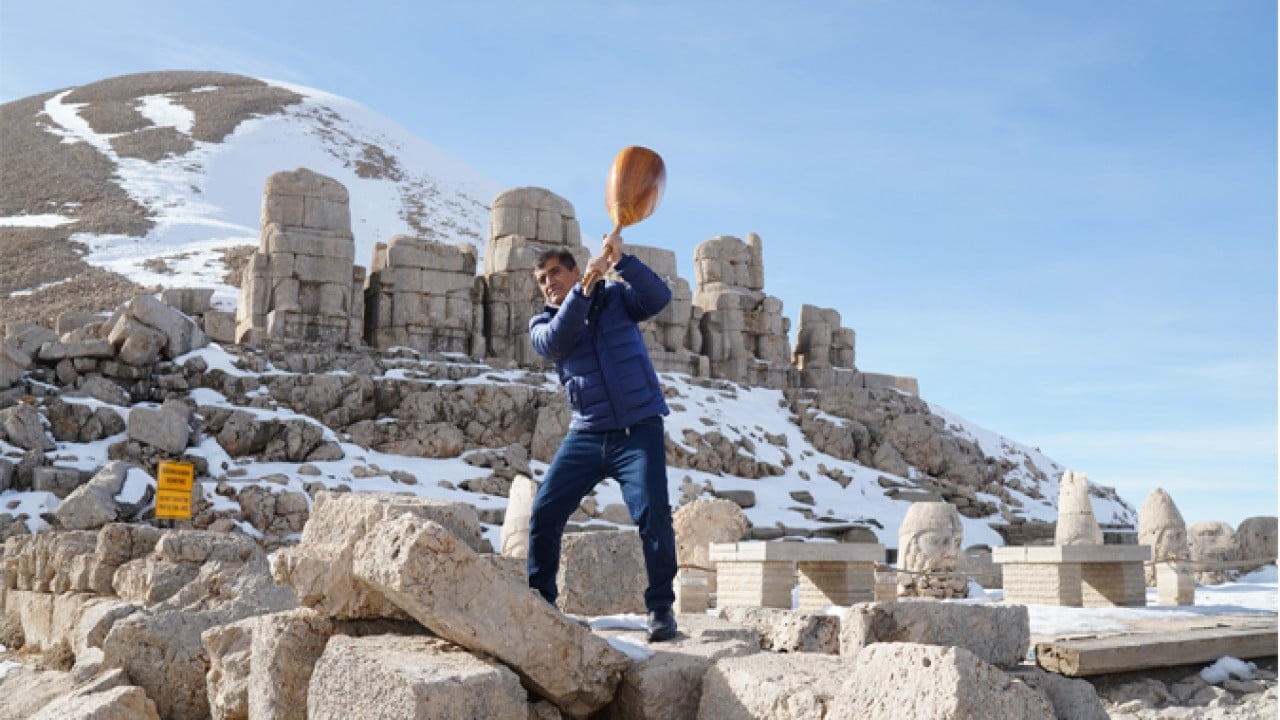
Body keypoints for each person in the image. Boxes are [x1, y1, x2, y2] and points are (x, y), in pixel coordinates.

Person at [526, 230, 679, 642]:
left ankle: (661, 609)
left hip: (638, 429)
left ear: (575, 269)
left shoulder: (616, 299)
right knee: (545, 513)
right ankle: (540, 603)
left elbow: (658, 299)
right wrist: (583, 290)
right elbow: (556, 341)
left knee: (653, 514)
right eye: (542, 279)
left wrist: (622, 261)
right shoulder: (542, 322)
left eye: (556, 273)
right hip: (588, 435)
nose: (549, 283)